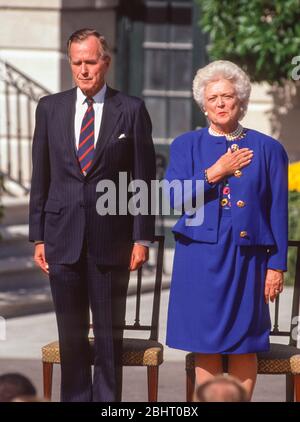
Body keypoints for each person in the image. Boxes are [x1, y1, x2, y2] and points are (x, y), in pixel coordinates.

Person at [29, 28, 156, 402]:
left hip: (111, 243)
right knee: (71, 338)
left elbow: (143, 179)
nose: (84, 70)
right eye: (77, 62)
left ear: (106, 61)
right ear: (71, 63)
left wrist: (140, 237)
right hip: (61, 237)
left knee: (107, 338)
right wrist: (38, 235)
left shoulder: (131, 110)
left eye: (91, 61)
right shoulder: (49, 108)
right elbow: (42, 176)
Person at [165, 60, 288, 401]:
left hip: (246, 261)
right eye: (213, 97)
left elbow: (277, 211)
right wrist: (214, 172)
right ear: (203, 104)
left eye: (227, 96)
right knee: (205, 344)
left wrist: (276, 265)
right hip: (198, 260)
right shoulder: (185, 145)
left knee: (244, 344)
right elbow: (171, 197)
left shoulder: (268, 149)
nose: (220, 103)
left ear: (241, 101)